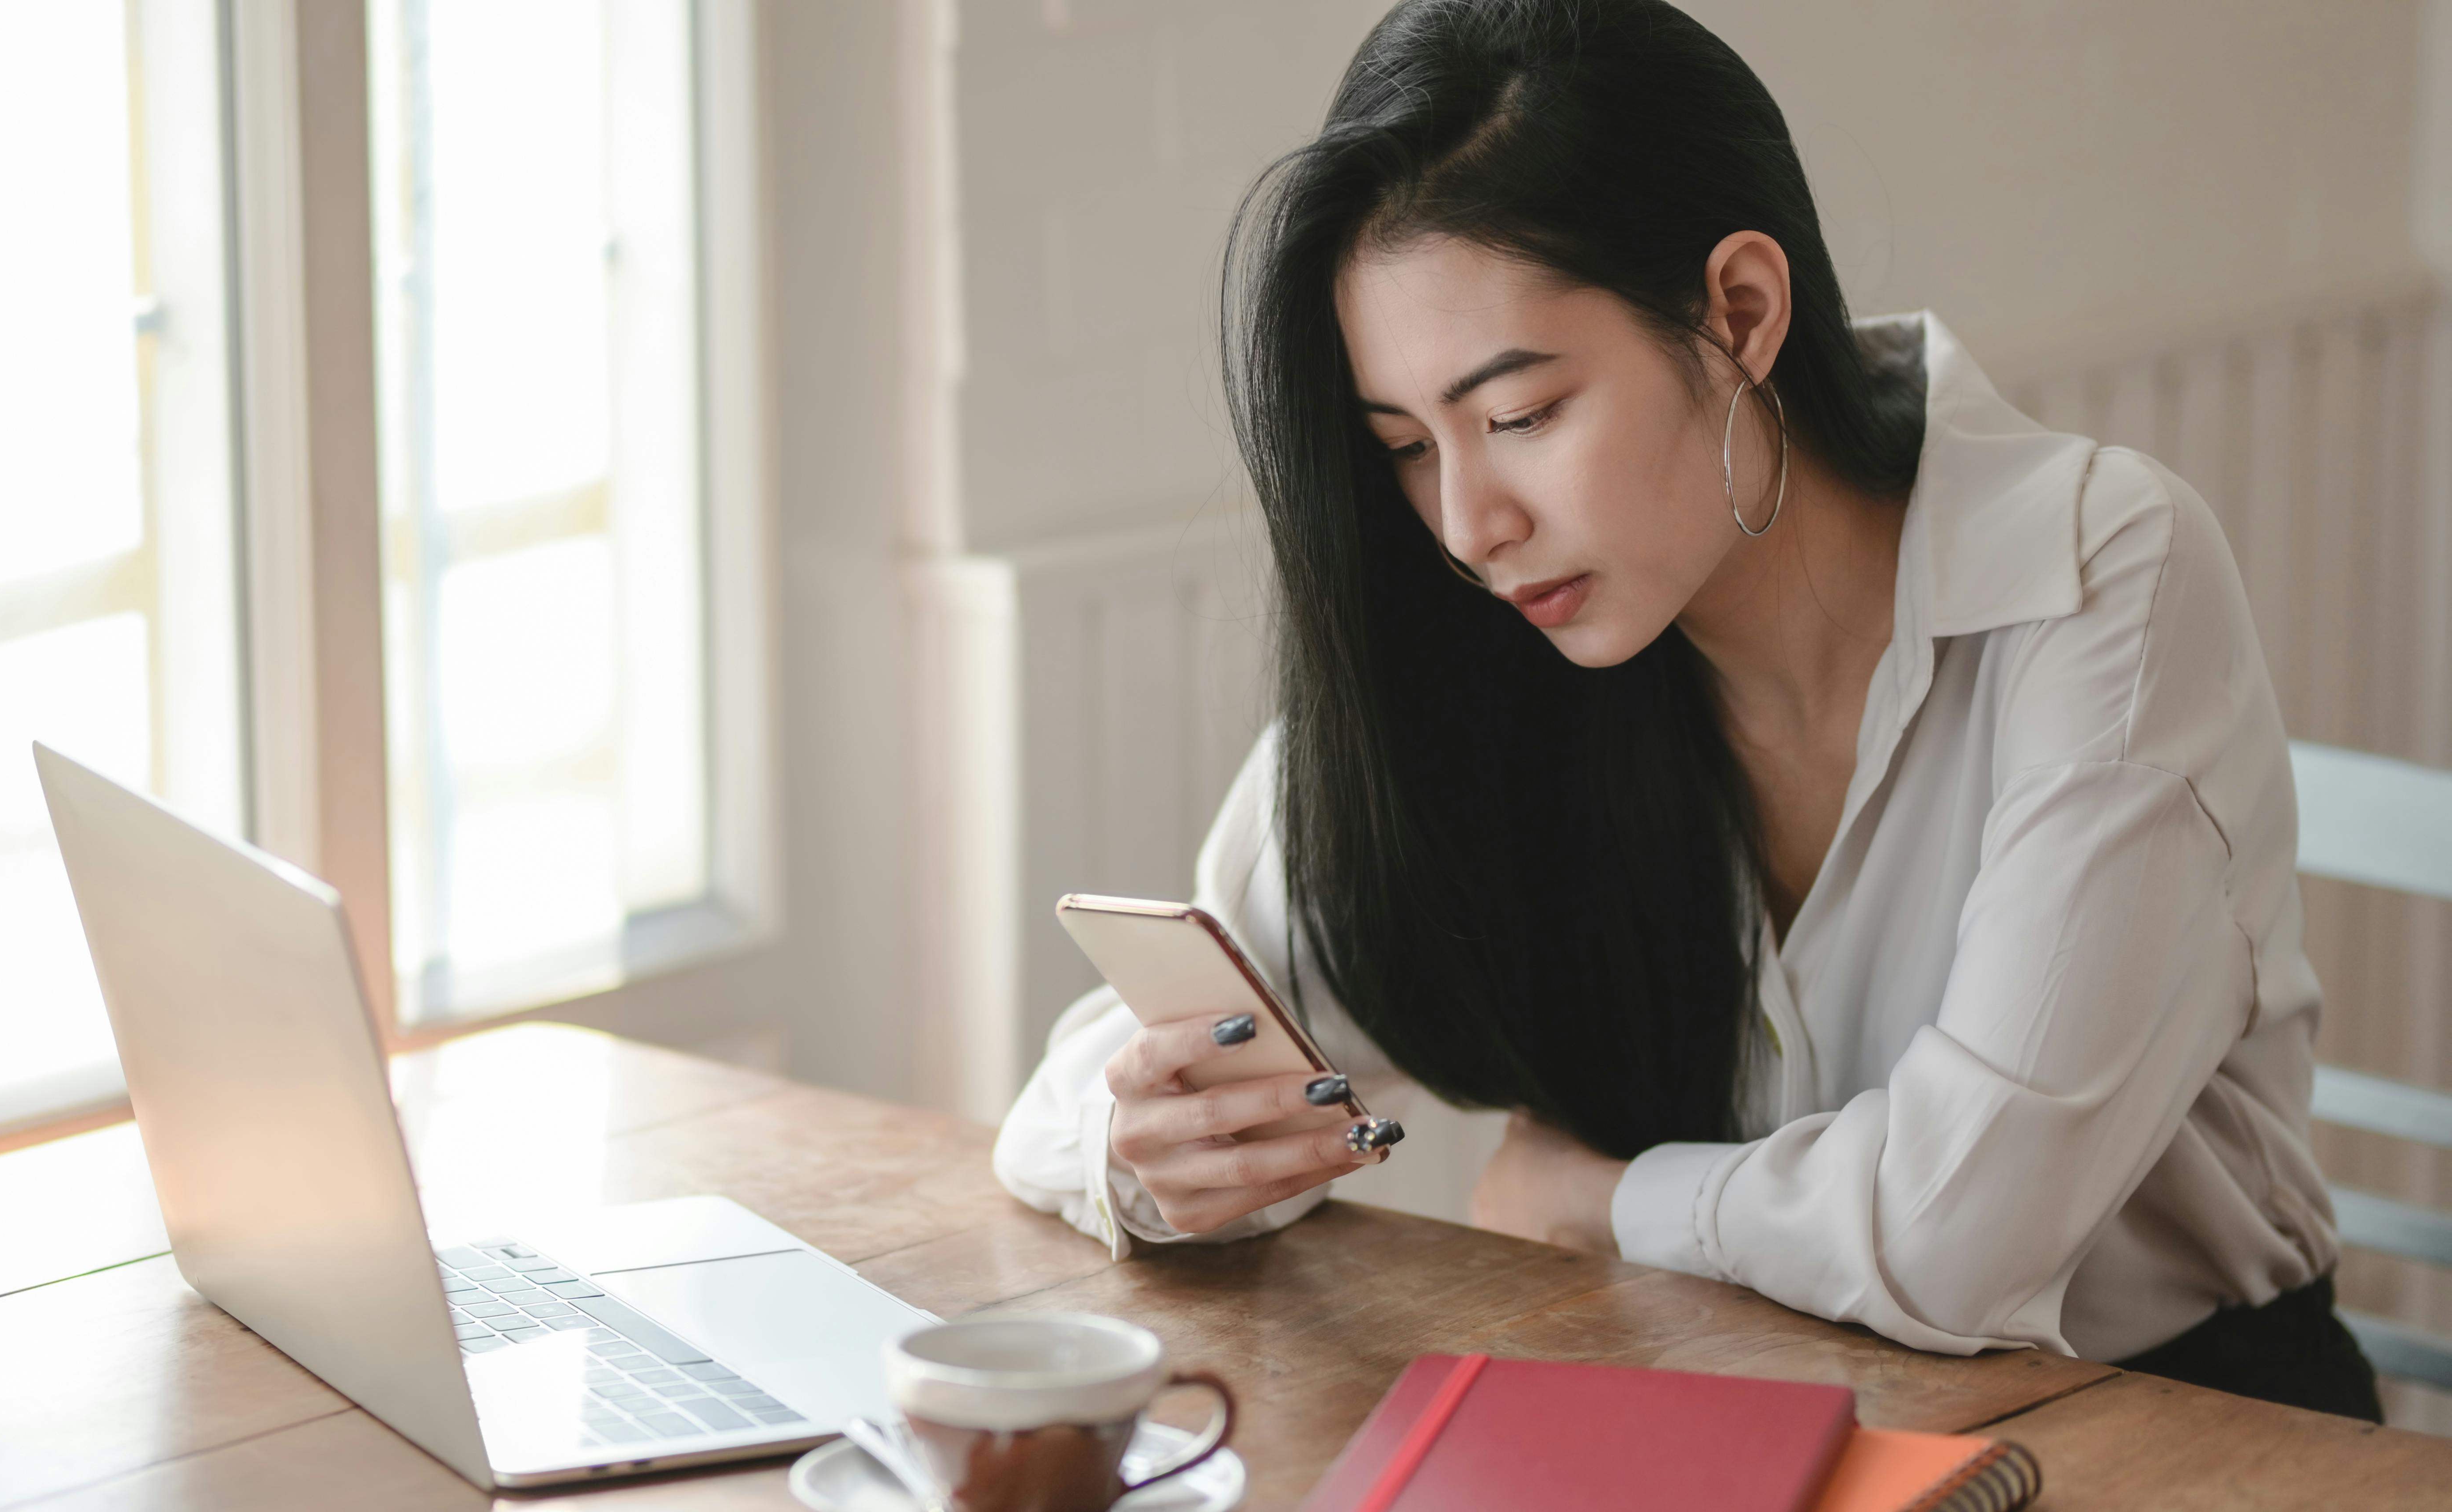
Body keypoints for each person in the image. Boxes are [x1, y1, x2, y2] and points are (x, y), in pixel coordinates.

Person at [991, 0, 2380, 1421]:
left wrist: (1600, 1197)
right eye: (1407, 447)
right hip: (1721, 1412)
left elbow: (1962, 1237)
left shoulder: (2095, 576)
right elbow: (1093, 1087)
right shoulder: (1501, 654)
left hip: (2183, 1427)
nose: (1470, 524)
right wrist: (1154, 1153)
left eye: (1522, 415)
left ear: (1741, 313)